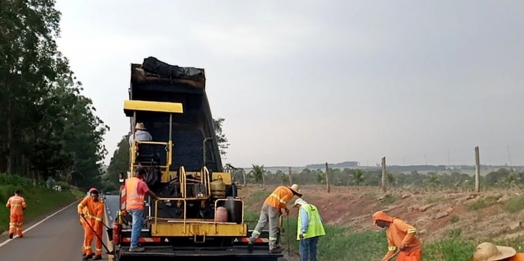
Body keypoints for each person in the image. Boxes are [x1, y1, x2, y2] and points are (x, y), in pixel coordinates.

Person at [248, 184, 302, 254]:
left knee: (261, 223)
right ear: (295, 192)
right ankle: (272, 247)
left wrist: (285, 208)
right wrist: (281, 210)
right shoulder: (290, 193)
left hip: (266, 204)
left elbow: (280, 200)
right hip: (273, 207)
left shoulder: (282, 188)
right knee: (273, 227)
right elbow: (282, 202)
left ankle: (252, 239)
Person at [123, 166, 159, 252]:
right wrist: (156, 198)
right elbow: (148, 192)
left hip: (129, 207)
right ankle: (134, 246)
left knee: (139, 223)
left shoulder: (128, 181)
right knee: (136, 226)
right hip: (137, 207)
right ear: (142, 174)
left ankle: (135, 242)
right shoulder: (141, 183)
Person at [78, 188, 105, 260]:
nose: (93, 198)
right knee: (87, 237)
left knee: (98, 238)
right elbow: (80, 205)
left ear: (97, 196)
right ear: (90, 196)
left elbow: (98, 219)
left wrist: (96, 229)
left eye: (95, 196)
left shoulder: (100, 205)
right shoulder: (87, 199)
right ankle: (88, 253)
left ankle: (98, 254)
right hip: (89, 222)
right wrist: (80, 211)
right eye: (92, 196)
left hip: (97, 223)